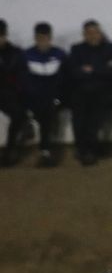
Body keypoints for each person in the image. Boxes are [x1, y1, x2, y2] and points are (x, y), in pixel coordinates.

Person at [65, 20, 112, 166]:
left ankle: (90, 149)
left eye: (95, 32)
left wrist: (91, 69)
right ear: (84, 35)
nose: (92, 36)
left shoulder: (111, 49)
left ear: (100, 32)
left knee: (94, 116)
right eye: (88, 33)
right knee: (78, 114)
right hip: (81, 90)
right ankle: (82, 148)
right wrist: (100, 69)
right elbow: (73, 73)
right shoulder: (76, 49)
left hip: (104, 91)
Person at [21, 22, 69, 167]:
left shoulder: (59, 54)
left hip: (54, 96)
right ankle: (45, 150)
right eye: (39, 37)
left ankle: (44, 149)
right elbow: (24, 80)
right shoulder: (27, 55)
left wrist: (58, 96)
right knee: (45, 113)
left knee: (46, 113)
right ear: (35, 38)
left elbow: (64, 79)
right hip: (34, 96)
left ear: (50, 38)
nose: (42, 40)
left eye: (45, 37)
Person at [0, 19, 24, 166]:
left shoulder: (15, 53)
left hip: (8, 93)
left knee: (18, 115)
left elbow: (17, 77)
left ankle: (10, 151)